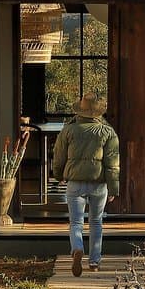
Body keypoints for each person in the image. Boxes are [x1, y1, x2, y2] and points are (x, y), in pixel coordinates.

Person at [50, 94, 119, 276]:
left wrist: (58, 175)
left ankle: (77, 248)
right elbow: (112, 163)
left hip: (75, 183)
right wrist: (113, 188)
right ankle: (94, 262)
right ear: (98, 112)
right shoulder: (108, 132)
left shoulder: (68, 130)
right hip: (99, 184)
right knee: (96, 222)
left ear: (80, 110)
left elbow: (58, 156)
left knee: (75, 222)